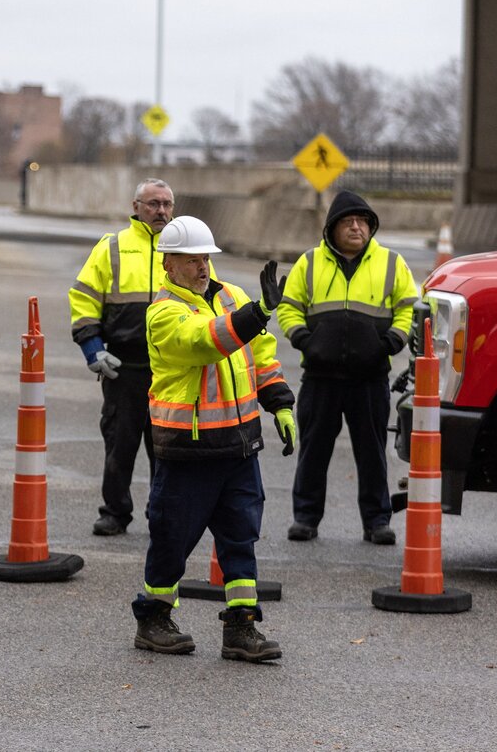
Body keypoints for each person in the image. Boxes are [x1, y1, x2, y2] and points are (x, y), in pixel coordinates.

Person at [131, 215, 296, 663]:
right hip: (189, 446)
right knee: (172, 535)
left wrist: (279, 400)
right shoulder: (164, 312)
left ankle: (241, 628)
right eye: (191, 260)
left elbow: (260, 353)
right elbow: (206, 341)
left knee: (240, 536)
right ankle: (153, 617)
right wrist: (258, 313)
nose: (202, 267)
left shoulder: (232, 297)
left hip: (239, 444)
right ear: (169, 265)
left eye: (206, 257)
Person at [276, 190, 419, 545]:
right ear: (331, 229)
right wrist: (306, 342)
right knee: (313, 450)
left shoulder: (391, 263)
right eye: (348, 222)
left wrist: (391, 344)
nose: (356, 227)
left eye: (363, 222)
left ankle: (377, 522)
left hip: (369, 378)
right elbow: (288, 308)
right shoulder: (309, 263)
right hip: (320, 378)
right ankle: (305, 519)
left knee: (371, 453)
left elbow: (409, 310)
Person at [68, 178, 175, 536]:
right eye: (153, 203)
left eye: (166, 204)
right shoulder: (112, 247)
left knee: (168, 449)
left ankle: (163, 514)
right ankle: (114, 512)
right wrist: (91, 347)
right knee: (119, 443)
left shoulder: (184, 247)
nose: (161, 210)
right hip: (123, 368)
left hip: (171, 369)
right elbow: (83, 298)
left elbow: (209, 301)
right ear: (136, 207)